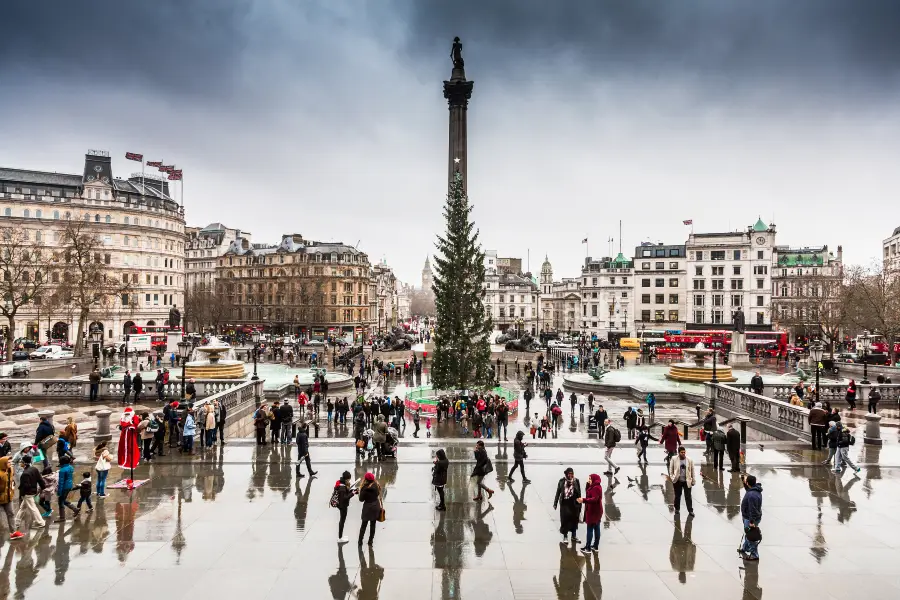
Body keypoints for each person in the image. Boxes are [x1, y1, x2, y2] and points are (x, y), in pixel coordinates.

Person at [14, 456, 45, 532]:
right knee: (23, 508)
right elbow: (40, 480)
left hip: (28, 494)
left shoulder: (25, 473)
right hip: (33, 492)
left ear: (24, 463)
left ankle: (41, 523)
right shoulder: (34, 469)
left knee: (33, 508)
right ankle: (16, 522)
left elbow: (26, 486)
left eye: (21, 462)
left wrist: (22, 494)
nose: (20, 463)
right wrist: (42, 488)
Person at [553, 467, 582, 543]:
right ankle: (565, 537)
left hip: (574, 504)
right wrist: (555, 503)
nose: (570, 475)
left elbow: (579, 492)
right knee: (565, 520)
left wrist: (580, 503)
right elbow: (558, 492)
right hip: (565, 504)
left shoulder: (576, 481)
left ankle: (574, 536)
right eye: (569, 474)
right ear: (566, 474)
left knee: (574, 520)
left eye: (572, 474)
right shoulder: (561, 481)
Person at [577, 473, 603, 552]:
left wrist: (583, 500)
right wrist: (588, 485)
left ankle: (588, 548)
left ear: (594, 479)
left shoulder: (596, 488)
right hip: (597, 511)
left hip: (593, 512)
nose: (589, 480)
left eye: (590, 479)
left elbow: (594, 499)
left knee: (590, 529)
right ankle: (595, 546)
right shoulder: (596, 486)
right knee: (596, 528)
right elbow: (589, 493)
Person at [740, 474, 763, 561]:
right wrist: (743, 480)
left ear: (748, 483)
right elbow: (747, 489)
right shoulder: (754, 490)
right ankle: (745, 548)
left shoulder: (751, 495)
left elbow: (752, 510)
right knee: (748, 533)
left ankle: (754, 554)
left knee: (751, 537)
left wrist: (751, 522)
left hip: (750, 518)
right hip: (753, 517)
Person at [668, 446, 695, 516]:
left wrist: (693, 480)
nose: (683, 453)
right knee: (677, 496)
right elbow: (671, 469)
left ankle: (690, 510)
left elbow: (692, 470)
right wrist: (672, 477)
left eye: (684, 452)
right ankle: (677, 509)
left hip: (687, 480)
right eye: (681, 452)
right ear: (679, 453)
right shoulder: (674, 459)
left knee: (688, 496)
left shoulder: (689, 460)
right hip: (677, 480)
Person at [333, 470, 358, 543]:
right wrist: (353, 493)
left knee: (342, 520)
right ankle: (340, 537)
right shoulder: (342, 487)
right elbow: (345, 497)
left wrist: (352, 491)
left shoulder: (341, 483)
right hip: (342, 506)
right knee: (342, 521)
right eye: (349, 479)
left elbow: (345, 493)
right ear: (347, 479)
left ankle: (341, 536)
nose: (349, 480)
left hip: (341, 505)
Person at [357, 472, 381, 546]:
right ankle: (370, 541)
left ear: (366, 479)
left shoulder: (364, 488)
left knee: (363, 525)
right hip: (375, 506)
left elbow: (361, 499)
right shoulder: (376, 485)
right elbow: (377, 494)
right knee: (373, 524)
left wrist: (359, 492)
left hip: (367, 507)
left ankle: (360, 541)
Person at [0, 457, 21, 539]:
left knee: (11, 514)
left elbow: (12, 482)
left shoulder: (10, 470)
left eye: (10, 462)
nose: (10, 463)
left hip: (8, 497)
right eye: (8, 462)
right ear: (3, 464)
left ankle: (14, 532)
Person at [55, 455, 78, 522]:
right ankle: (75, 509)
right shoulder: (70, 467)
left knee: (60, 502)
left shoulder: (62, 471)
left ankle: (62, 517)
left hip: (64, 487)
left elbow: (61, 482)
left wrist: (59, 492)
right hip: (69, 485)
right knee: (63, 500)